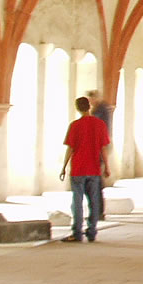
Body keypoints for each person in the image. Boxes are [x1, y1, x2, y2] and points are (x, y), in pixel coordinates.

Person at [59, 97, 110, 242]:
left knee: (77, 201)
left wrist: (63, 167)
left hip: (78, 169)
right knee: (94, 201)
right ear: (89, 107)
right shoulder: (100, 125)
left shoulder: (75, 125)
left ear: (78, 108)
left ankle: (77, 233)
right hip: (94, 169)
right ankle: (92, 232)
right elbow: (103, 149)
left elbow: (70, 148)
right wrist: (107, 166)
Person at [86, 90, 114, 219]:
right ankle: (97, 211)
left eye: (91, 99)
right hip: (96, 149)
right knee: (94, 181)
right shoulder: (99, 110)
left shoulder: (101, 111)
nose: (90, 102)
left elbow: (101, 132)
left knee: (95, 181)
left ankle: (98, 211)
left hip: (98, 149)